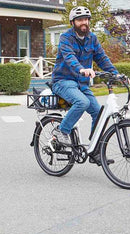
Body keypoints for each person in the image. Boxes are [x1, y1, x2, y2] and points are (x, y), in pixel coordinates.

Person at [50, 6, 118, 145]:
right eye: (80, 20)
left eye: (86, 19)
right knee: (82, 102)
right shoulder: (65, 38)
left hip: (81, 84)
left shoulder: (92, 38)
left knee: (99, 113)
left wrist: (116, 74)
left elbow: (102, 58)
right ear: (72, 22)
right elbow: (69, 57)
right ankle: (61, 131)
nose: (84, 22)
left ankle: (95, 146)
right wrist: (81, 69)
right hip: (63, 81)